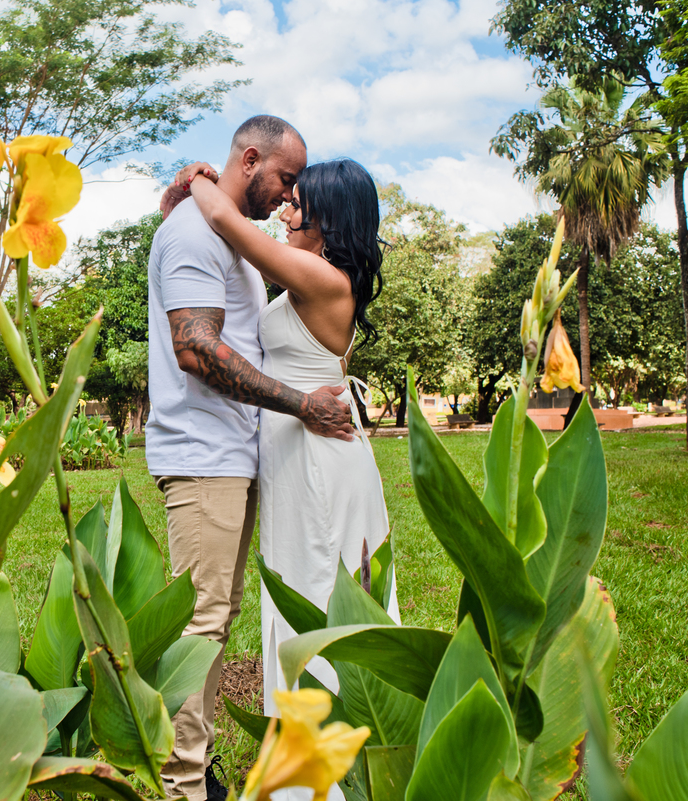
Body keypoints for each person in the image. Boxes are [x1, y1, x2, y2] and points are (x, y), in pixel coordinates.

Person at [173, 156, 398, 801]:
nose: (285, 210)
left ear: (329, 218)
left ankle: (322, 775)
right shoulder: (307, 274)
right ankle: (309, 768)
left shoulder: (324, 279)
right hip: (298, 459)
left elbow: (224, 217)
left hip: (321, 464)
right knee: (295, 594)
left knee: (319, 595)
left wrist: (201, 180)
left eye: (299, 203)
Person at [145, 115, 356, 801]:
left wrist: (196, 187)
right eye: (285, 179)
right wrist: (300, 404)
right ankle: (182, 784)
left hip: (237, 457)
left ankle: (196, 768)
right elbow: (197, 350)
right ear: (252, 157)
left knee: (217, 617)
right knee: (201, 622)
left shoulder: (232, 240)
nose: (288, 197)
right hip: (204, 457)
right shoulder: (191, 234)